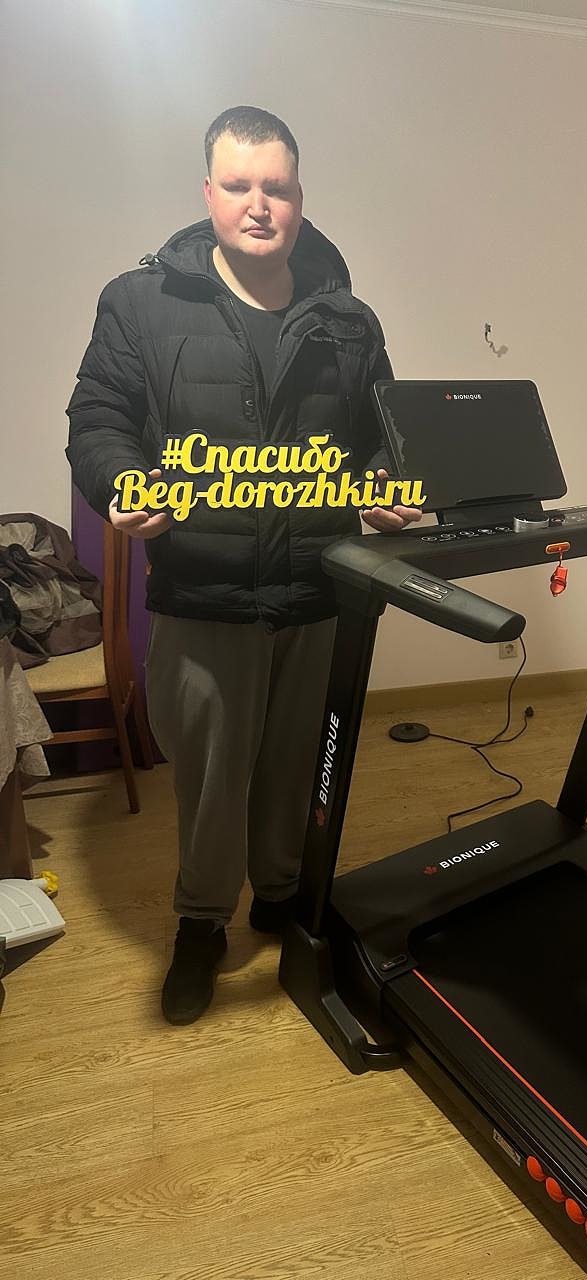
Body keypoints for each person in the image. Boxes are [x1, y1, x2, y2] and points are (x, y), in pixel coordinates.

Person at [66, 106, 420, 1025]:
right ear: (208, 192)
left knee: (297, 764)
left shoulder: (349, 318)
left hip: (320, 587)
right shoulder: (140, 303)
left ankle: (283, 894)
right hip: (204, 591)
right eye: (238, 185)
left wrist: (386, 483)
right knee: (211, 776)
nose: (259, 204)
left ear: (299, 197)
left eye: (277, 187)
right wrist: (118, 482)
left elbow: (382, 434)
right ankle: (200, 922)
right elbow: (98, 416)